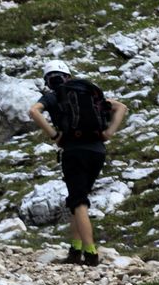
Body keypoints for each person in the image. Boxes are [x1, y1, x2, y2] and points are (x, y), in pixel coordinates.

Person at [29, 61, 127, 267]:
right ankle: (75, 249)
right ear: (69, 75)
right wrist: (108, 133)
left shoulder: (54, 95)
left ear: (48, 80)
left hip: (73, 151)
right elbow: (121, 107)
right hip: (97, 151)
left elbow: (34, 111)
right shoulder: (88, 93)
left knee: (79, 201)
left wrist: (54, 135)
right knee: (77, 198)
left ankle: (90, 253)